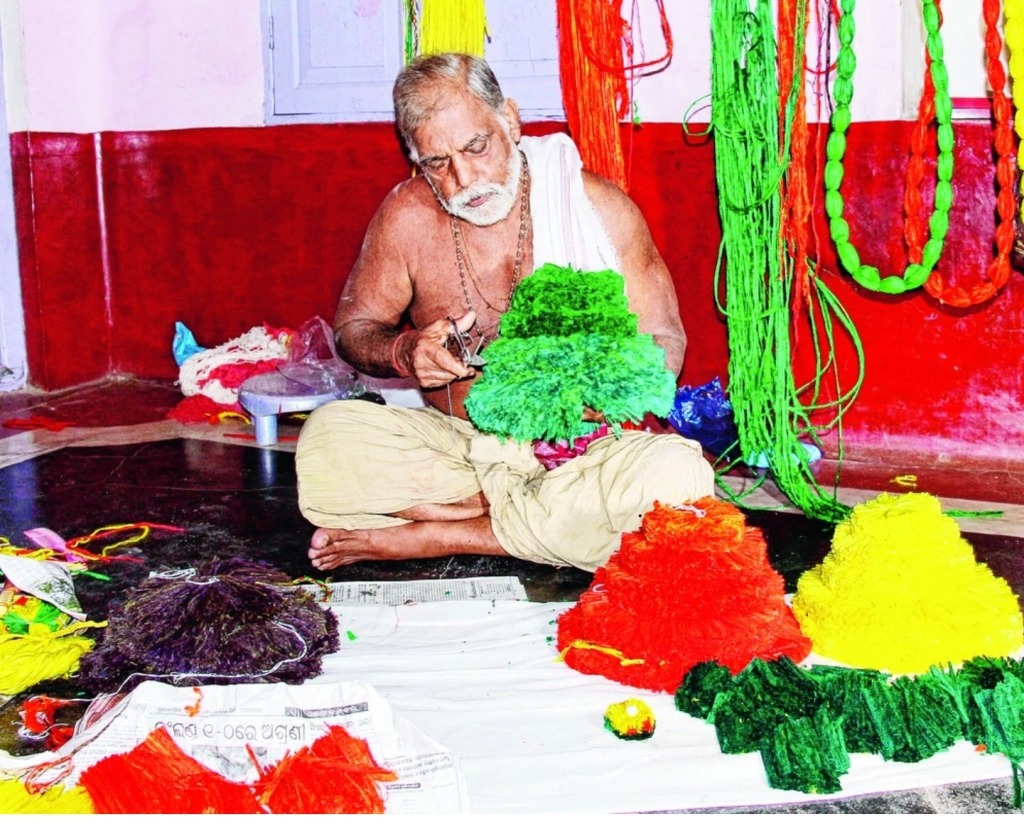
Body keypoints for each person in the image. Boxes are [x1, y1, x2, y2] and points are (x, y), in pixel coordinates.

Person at [295, 52, 714, 572]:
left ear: (510, 120)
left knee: (679, 478)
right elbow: (354, 331)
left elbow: (663, 337)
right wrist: (405, 351)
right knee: (328, 440)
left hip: (585, 453)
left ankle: (440, 534)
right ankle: (508, 517)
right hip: (463, 449)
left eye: (476, 146)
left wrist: (600, 397)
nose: (464, 178)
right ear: (414, 158)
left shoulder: (597, 206)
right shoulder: (405, 216)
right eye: (437, 163)